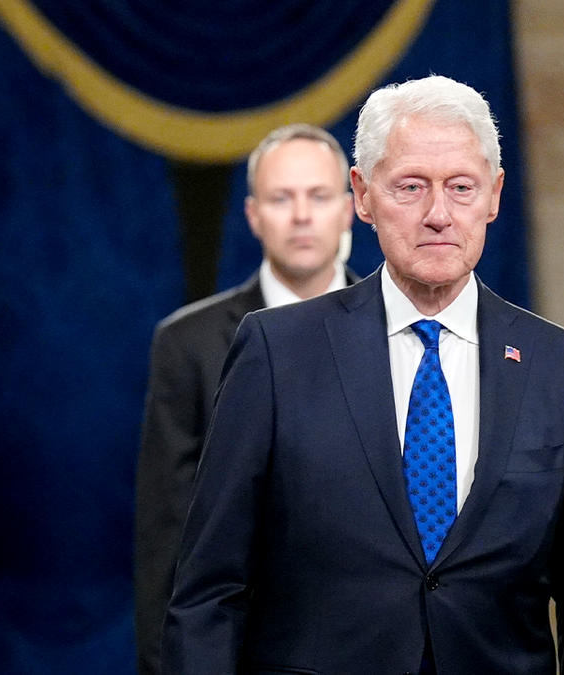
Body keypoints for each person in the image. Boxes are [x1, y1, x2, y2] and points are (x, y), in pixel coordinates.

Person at [161, 75, 564, 675]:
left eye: (461, 187)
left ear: (495, 195)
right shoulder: (276, 353)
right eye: (410, 187)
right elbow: (208, 593)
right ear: (363, 194)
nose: (438, 214)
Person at [134, 123, 359, 675]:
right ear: (254, 214)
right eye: (282, 198)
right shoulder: (186, 343)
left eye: (319, 196)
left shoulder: (398, 332)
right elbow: (166, 531)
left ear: (350, 209)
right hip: (241, 650)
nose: (301, 215)